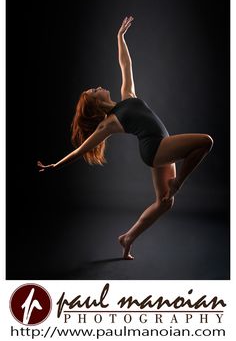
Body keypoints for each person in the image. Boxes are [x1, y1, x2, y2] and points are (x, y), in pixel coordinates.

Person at [38, 16, 214, 260]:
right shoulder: (109, 122)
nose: (97, 87)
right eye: (93, 90)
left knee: (165, 203)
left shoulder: (127, 96)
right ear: (96, 102)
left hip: (160, 148)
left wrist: (119, 37)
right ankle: (179, 182)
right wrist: (56, 165)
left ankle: (127, 238)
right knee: (205, 141)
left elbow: (125, 64)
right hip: (155, 148)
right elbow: (81, 150)